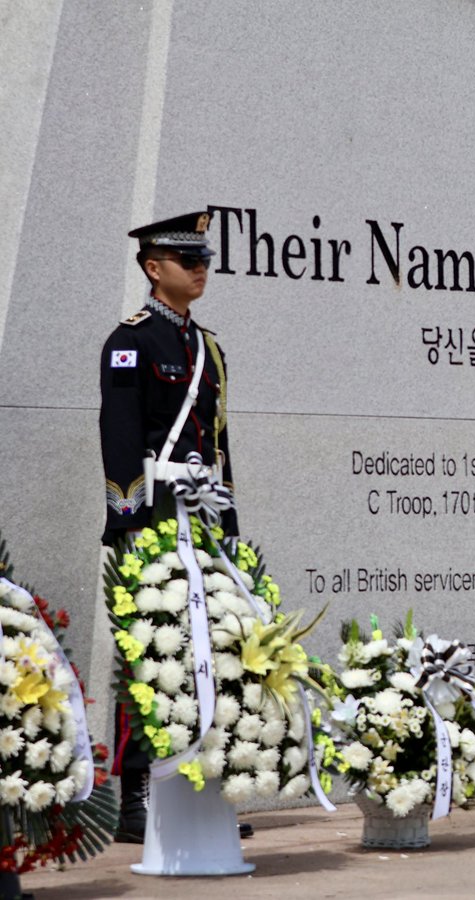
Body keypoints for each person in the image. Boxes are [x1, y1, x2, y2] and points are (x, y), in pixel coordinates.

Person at [99, 210, 249, 842]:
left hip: (202, 512)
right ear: (153, 268)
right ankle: (137, 794)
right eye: (187, 261)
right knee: (150, 644)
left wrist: (229, 518)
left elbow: (217, 439)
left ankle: (199, 788)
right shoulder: (130, 339)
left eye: (205, 260)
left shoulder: (207, 345)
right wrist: (129, 517)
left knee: (206, 651)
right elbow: (120, 431)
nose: (200, 270)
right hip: (157, 511)